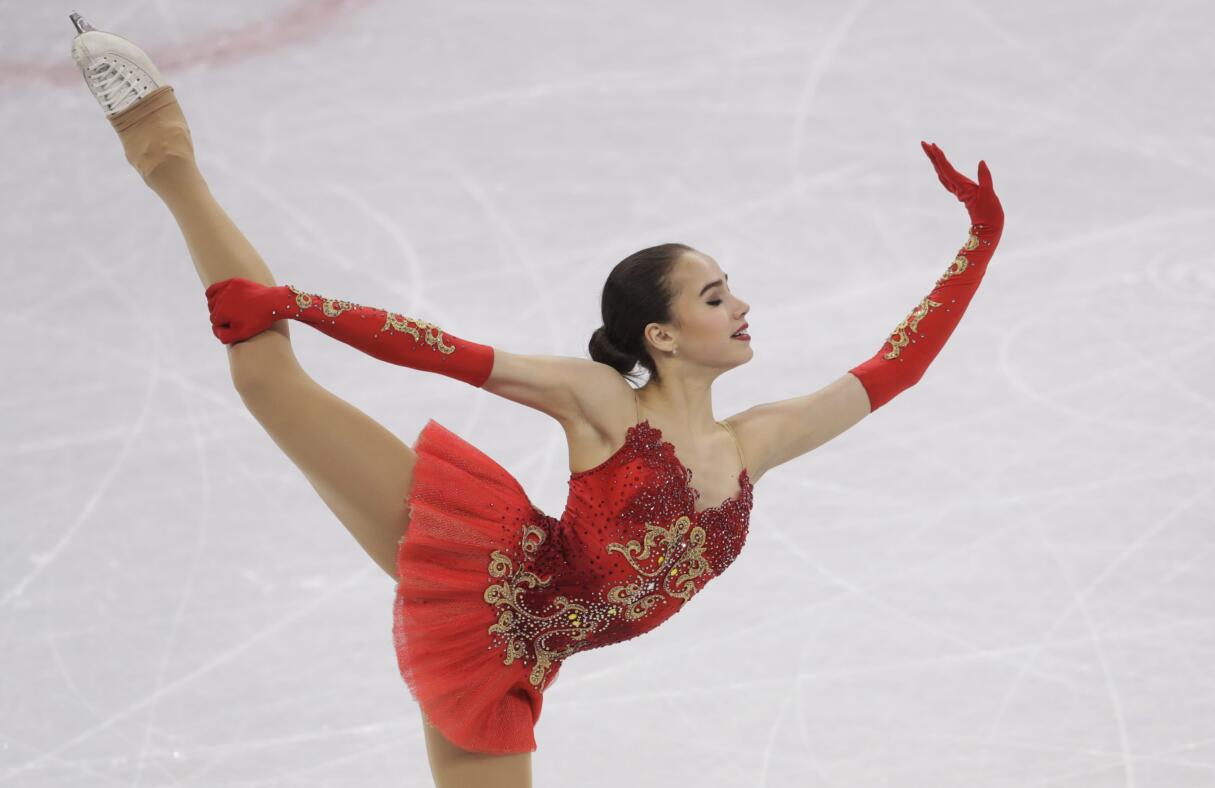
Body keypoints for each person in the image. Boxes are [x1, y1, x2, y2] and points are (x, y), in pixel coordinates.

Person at [69, 12, 1004, 787]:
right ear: (663, 336)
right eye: (716, 296)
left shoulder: (755, 442)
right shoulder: (602, 401)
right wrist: (289, 305)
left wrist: (981, 238)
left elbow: (898, 367)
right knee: (266, 373)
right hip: (491, 598)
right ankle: (161, 144)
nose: (744, 305)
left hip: (535, 655)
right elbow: (439, 351)